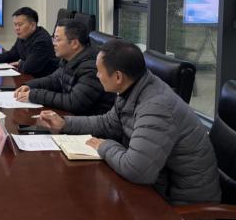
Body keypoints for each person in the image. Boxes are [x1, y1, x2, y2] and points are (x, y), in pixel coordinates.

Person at [37, 40, 221, 205]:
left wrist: (105, 146)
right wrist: (64, 123)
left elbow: (137, 170)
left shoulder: (156, 107)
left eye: (99, 71)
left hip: (182, 208)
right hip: (156, 189)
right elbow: (107, 123)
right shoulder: (133, 87)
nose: (97, 75)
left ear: (118, 76)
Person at [14, 19, 115, 115]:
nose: (53, 43)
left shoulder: (91, 67)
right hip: (72, 117)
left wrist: (35, 95)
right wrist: (29, 86)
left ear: (74, 43)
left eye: (57, 39)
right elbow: (54, 80)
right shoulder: (68, 58)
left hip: (88, 122)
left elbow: (74, 102)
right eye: (53, 38)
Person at [0, 7, 57, 78]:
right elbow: (13, 54)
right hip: (30, 78)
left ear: (33, 25)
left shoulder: (42, 41)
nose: (17, 28)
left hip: (44, 81)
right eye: (15, 25)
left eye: (20, 25)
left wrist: (19, 63)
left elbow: (29, 67)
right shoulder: (23, 36)